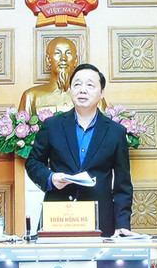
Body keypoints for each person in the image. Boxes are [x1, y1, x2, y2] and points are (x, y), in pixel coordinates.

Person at [26, 64, 134, 238]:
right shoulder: (52, 125)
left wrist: (122, 223)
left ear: (102, 92)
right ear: (70, 90)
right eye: (77, 84)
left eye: (90, 85)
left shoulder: (115, 132)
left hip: (99, 220)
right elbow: (33, 162)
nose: (82, 90)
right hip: (58, 217)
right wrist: (50, 178)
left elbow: (123, 184)